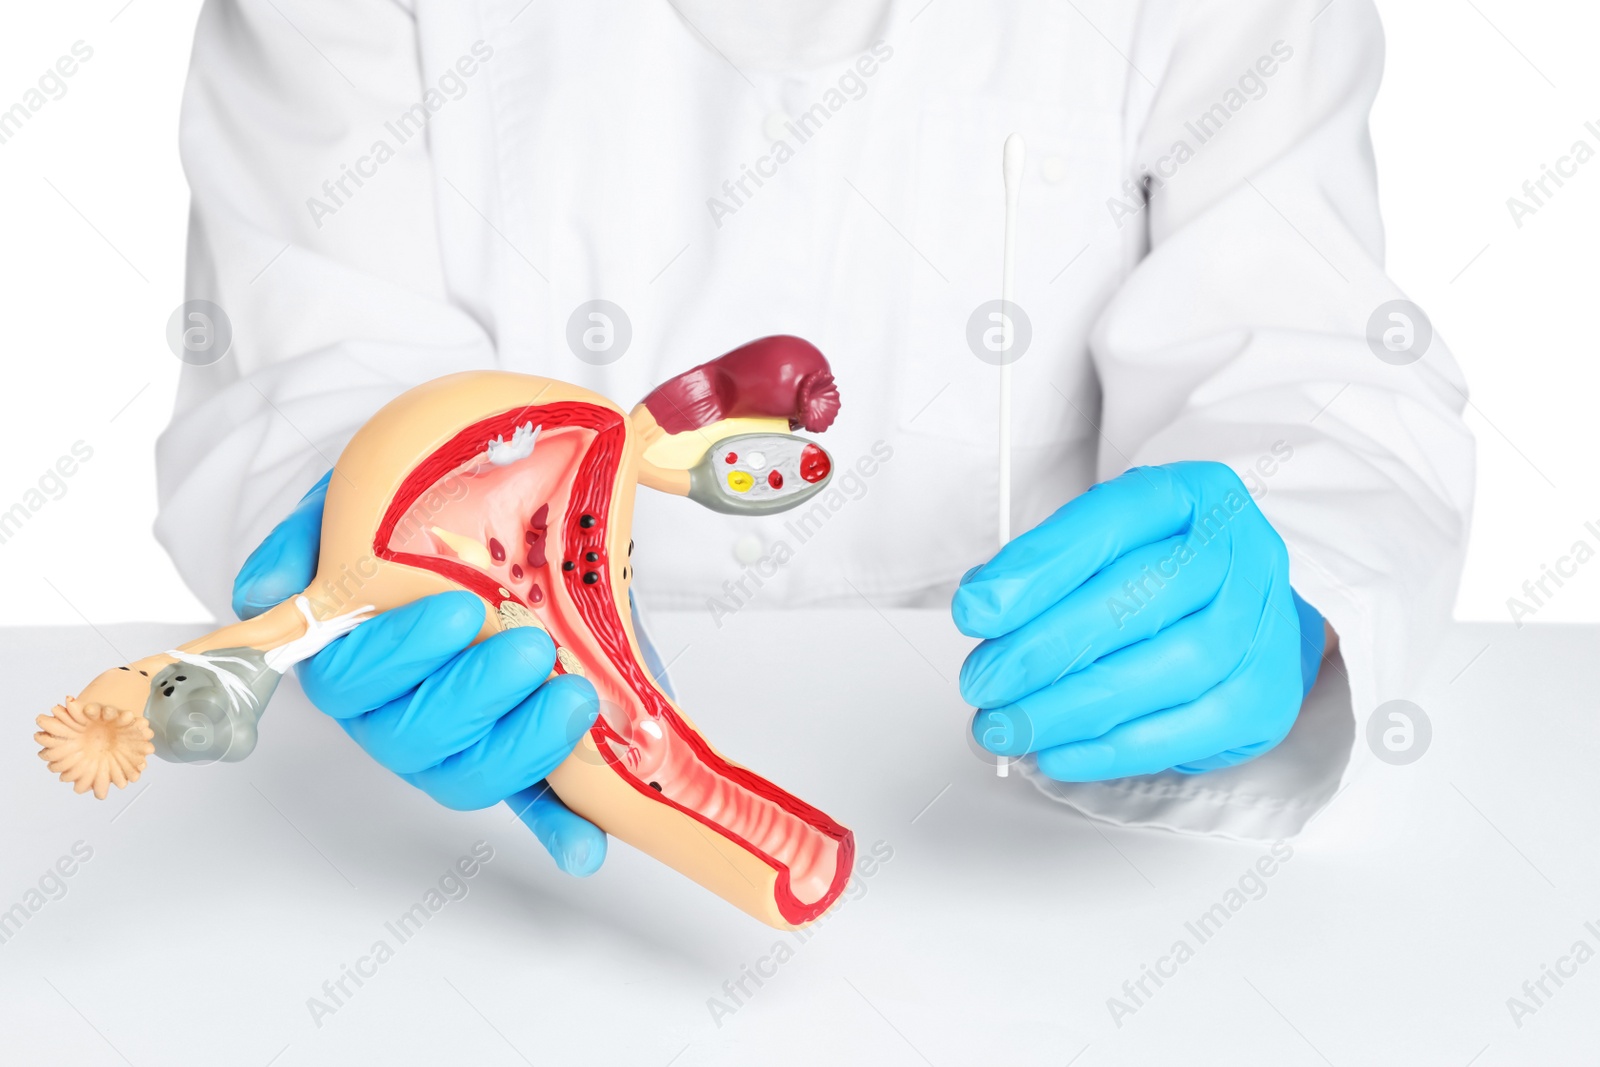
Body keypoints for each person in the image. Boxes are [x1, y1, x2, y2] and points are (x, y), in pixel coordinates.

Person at [160, 0, 1473, 872]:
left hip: (1032, 840)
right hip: (483, 875)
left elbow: (1308, 359)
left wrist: (1285, 582)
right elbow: (309, 361)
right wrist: (356, 534)